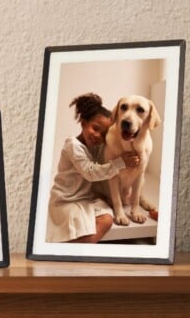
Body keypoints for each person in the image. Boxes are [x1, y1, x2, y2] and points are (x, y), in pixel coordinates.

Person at [47, 92, 140, 243]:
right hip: (66, 198)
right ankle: (71, 250)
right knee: (74, 228)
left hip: (85, 197)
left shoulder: (96, 146)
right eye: (95, 128)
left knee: (107, 219)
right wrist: (121, 162)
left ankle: (80, 247)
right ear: (83, 123)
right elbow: (90, 172)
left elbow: (107, 157)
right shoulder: (73, 145)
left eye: (104, 134)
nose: (98, 136)